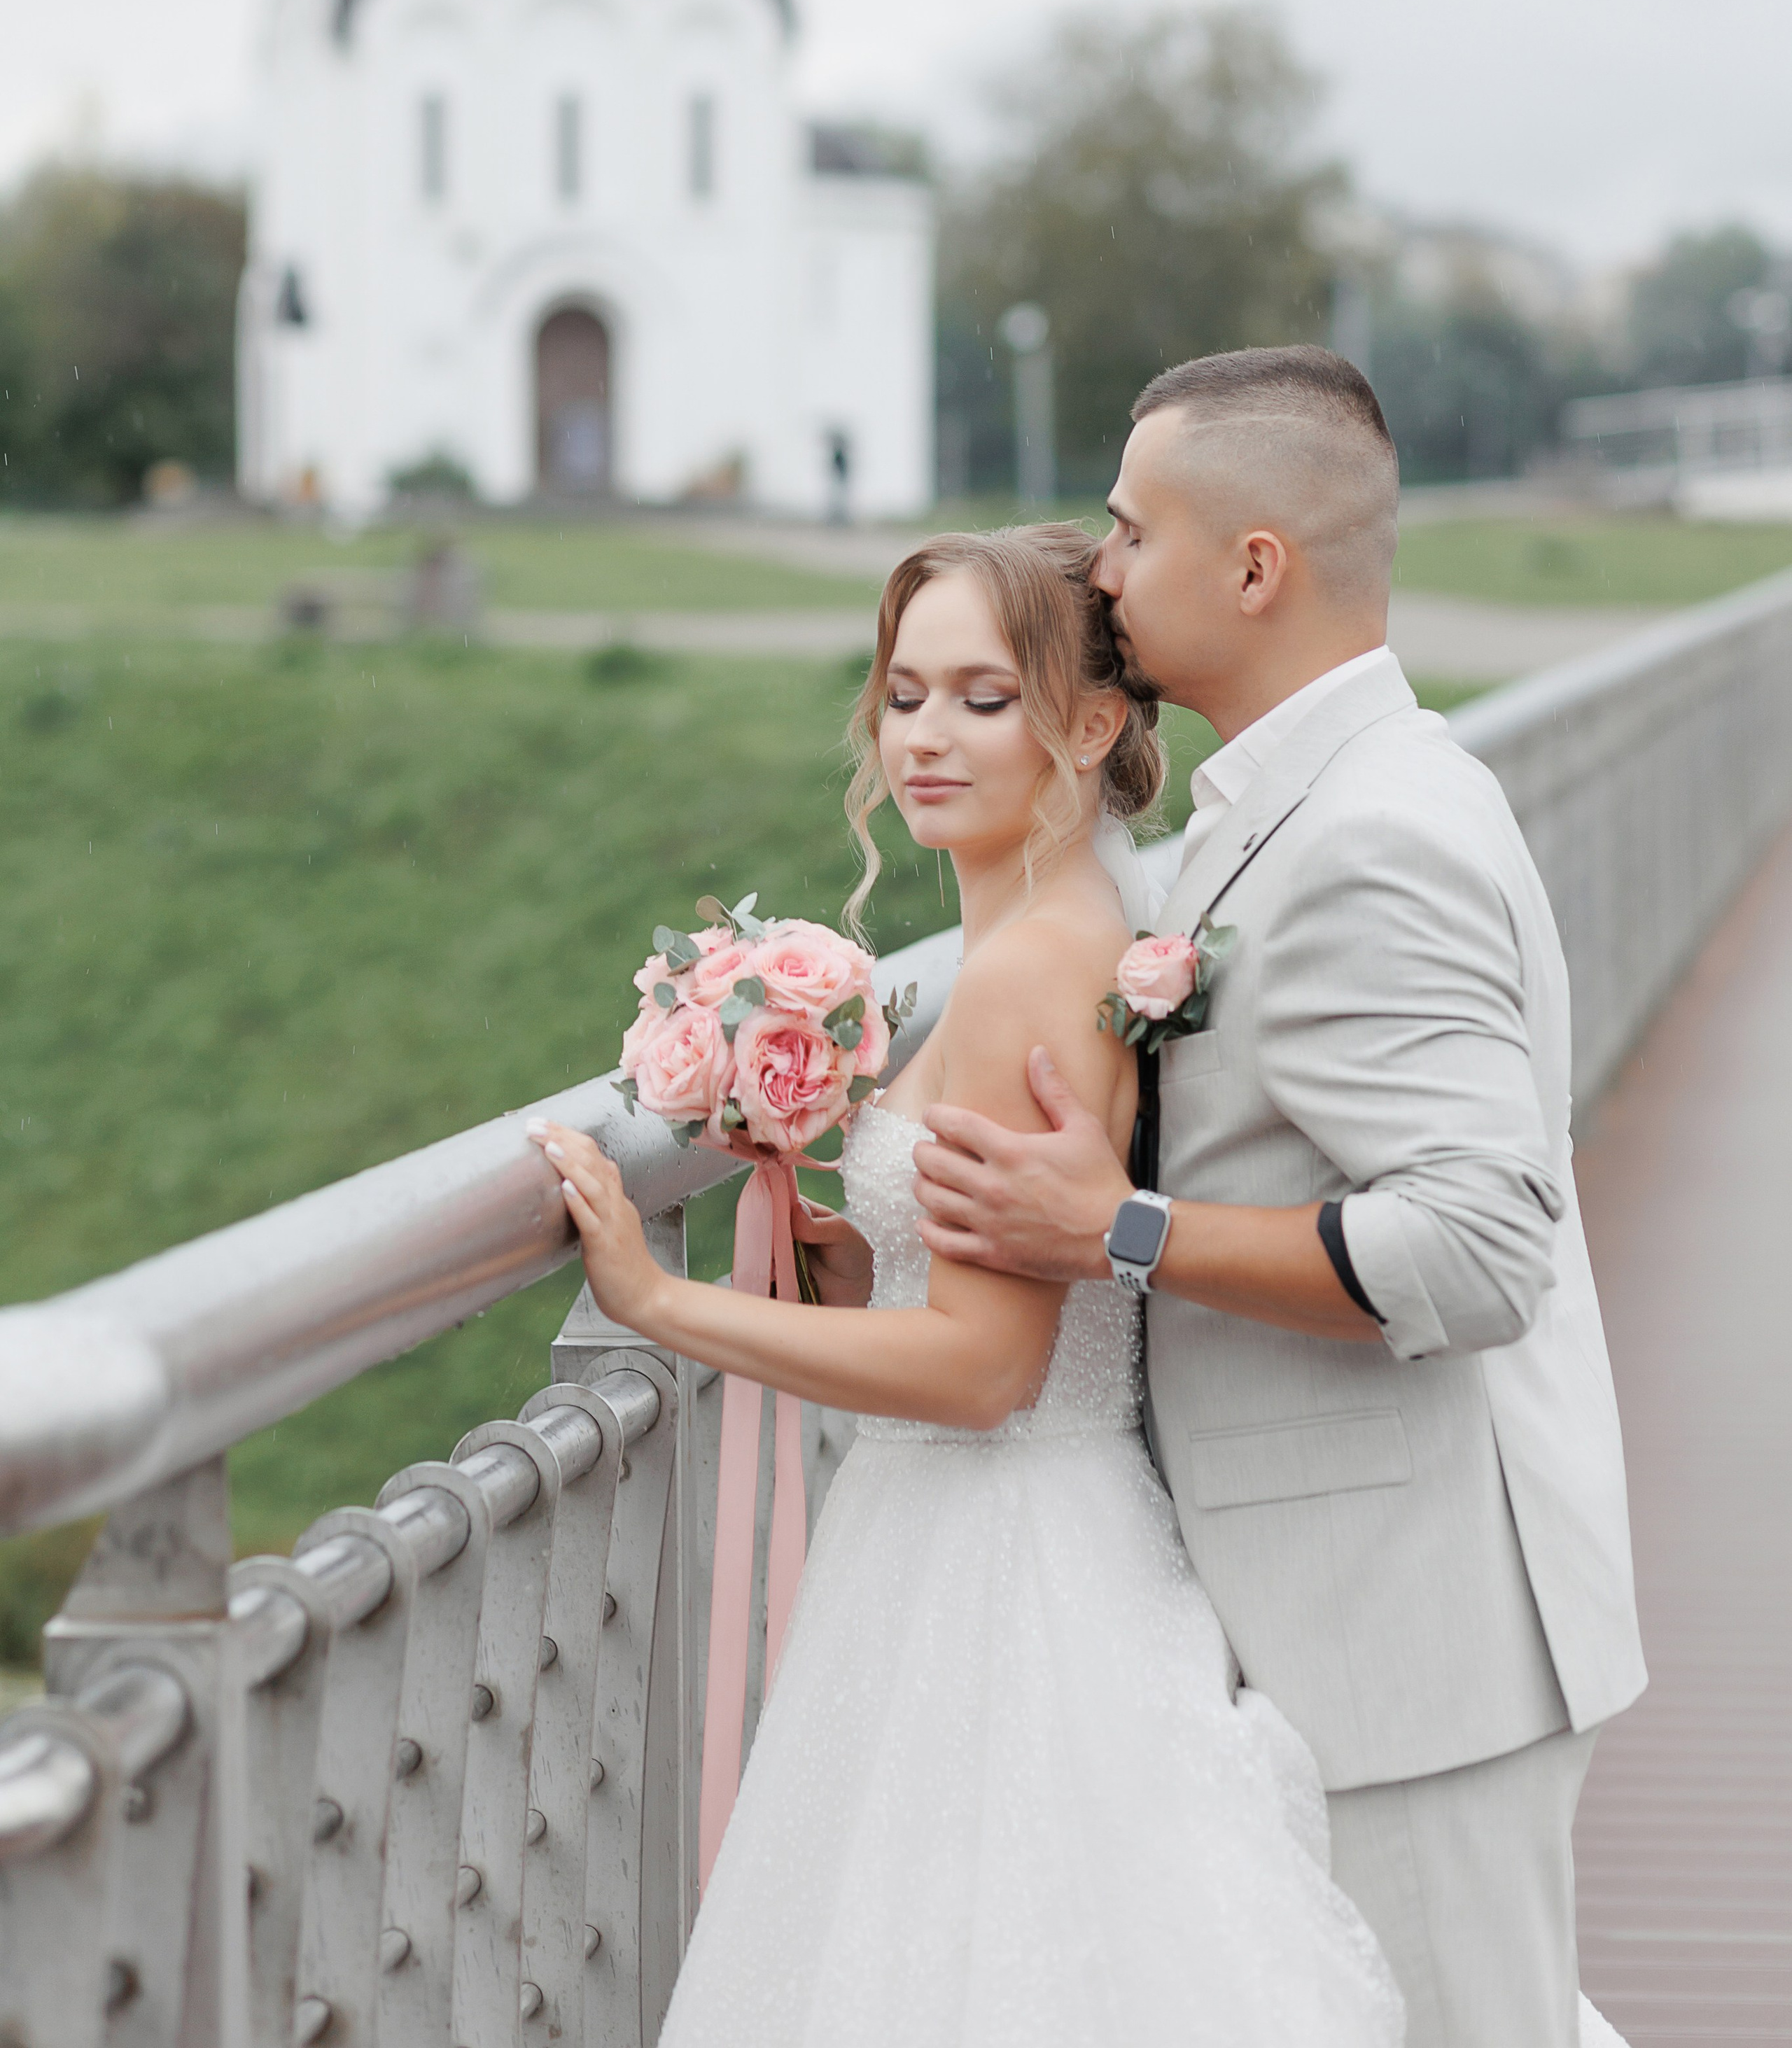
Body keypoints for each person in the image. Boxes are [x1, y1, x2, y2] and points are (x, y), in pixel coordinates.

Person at [533, 522, 1405, 2047]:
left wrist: (663, 1307)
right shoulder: (1056, 925)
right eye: (903, 692)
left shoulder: (1022, 968)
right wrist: (866, 1258)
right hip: (989, 1530)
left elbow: (987, 1372)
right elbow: (1007, 1288)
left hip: (998, 1554)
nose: (924, 737)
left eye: (982, 699)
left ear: (1087, 723)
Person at [909, 348, 1644, 2048]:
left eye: (1125, 527)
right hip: (1347, 1616)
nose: (1098, 568)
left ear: (1251, 569)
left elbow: (1474, 1248)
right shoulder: (1301, 801)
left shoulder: (1374, 836)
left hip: (1421, 1644)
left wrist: (1114, 1231)